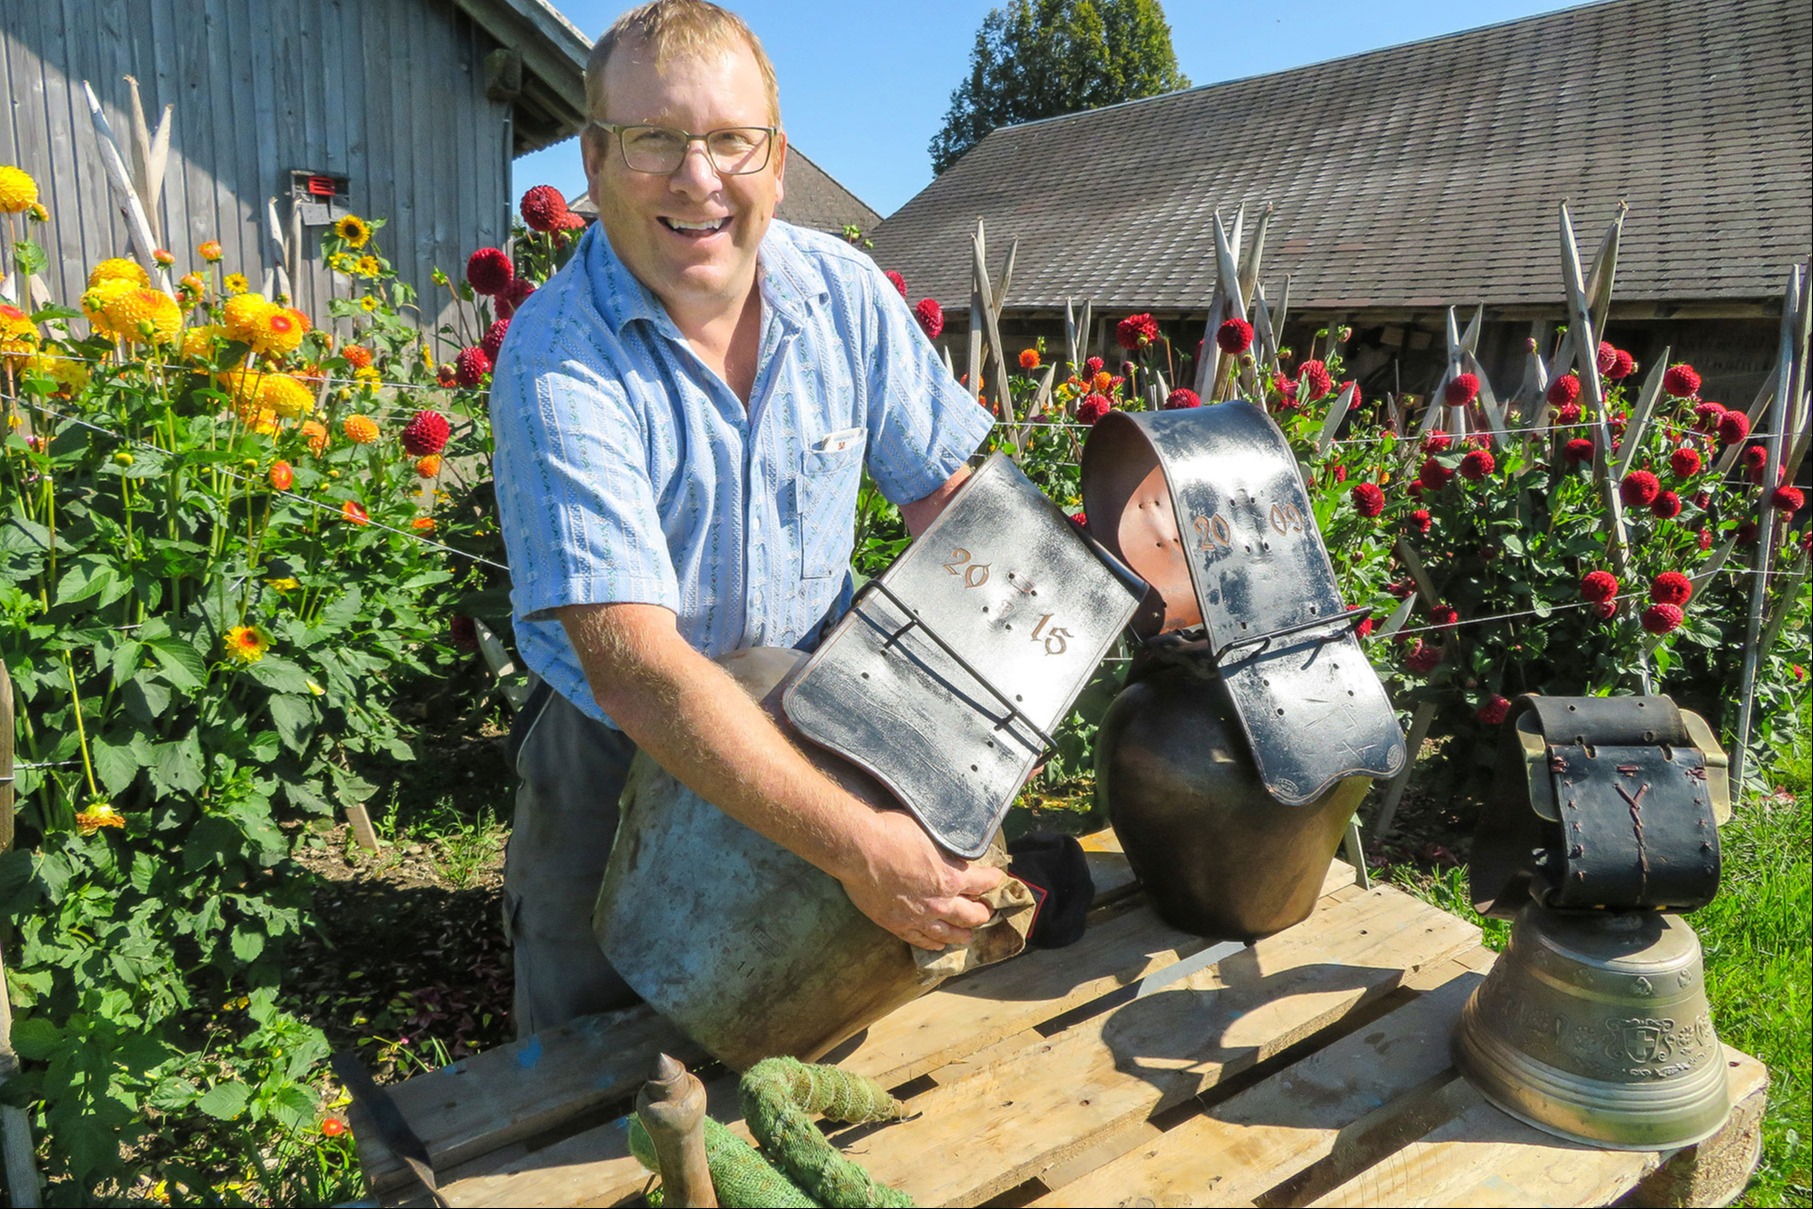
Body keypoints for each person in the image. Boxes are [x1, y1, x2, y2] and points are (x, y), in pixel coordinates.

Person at [488, 0, 1006, 1037]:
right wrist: (864, 847)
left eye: (732, 140)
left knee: (818, 1021)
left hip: (828, 715)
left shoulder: (845, 296)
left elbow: (948, 503)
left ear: (774, 160)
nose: (698, 178)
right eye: (654, 141)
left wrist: (991, 713)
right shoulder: (560, 359)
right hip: (620, 752)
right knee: (595, 1054)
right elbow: (634, 668)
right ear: (593, 161)